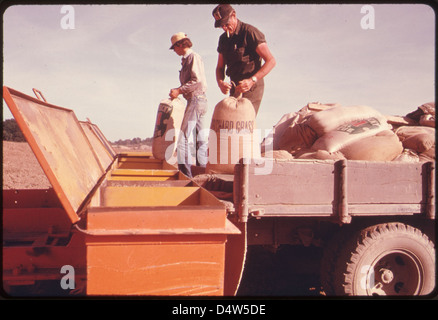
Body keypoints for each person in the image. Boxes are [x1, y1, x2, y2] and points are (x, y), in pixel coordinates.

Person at [213, 4, 276, 115]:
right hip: (234, 86)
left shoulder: (250, 32)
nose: (224, 28)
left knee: (244, 123)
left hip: (251, 87)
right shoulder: (223, 39)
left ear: (234, 15)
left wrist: (252, 80)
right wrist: (220, 83)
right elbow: (220, 67)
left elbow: (271, 61)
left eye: (226, 24)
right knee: (231, 124)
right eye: (221, 26)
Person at [169, 32, 209, 178]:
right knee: (200, 138)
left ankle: (185, 175)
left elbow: (196, 81)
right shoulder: (187, 60)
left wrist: (179, 90)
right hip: (198, 100)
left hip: (196, 99)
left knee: (183, 139)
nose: (174, 51)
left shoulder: (192, 57)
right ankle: (202, 171)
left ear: (180, 45)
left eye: (174, 48)